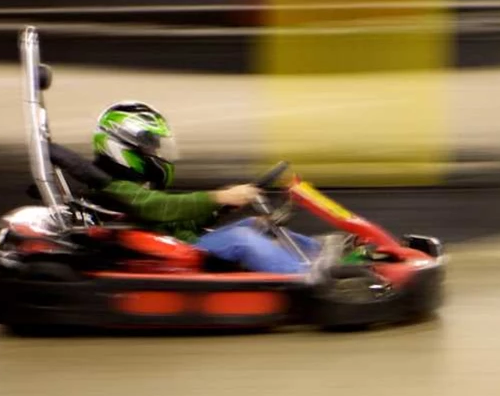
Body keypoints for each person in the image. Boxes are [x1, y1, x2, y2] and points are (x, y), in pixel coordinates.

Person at [88, 100, 330, 274]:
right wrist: (218, 197)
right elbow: (159, 208)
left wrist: (221, 206)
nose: (157, 152)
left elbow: (171, 220)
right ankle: (307, 277)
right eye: (151, 146)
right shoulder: (111, 187)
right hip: (166, 255)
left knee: (254, 225)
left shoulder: (133, 186)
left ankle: (324, 256)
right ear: (120, 145)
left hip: (177, 244)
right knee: (240, 237)